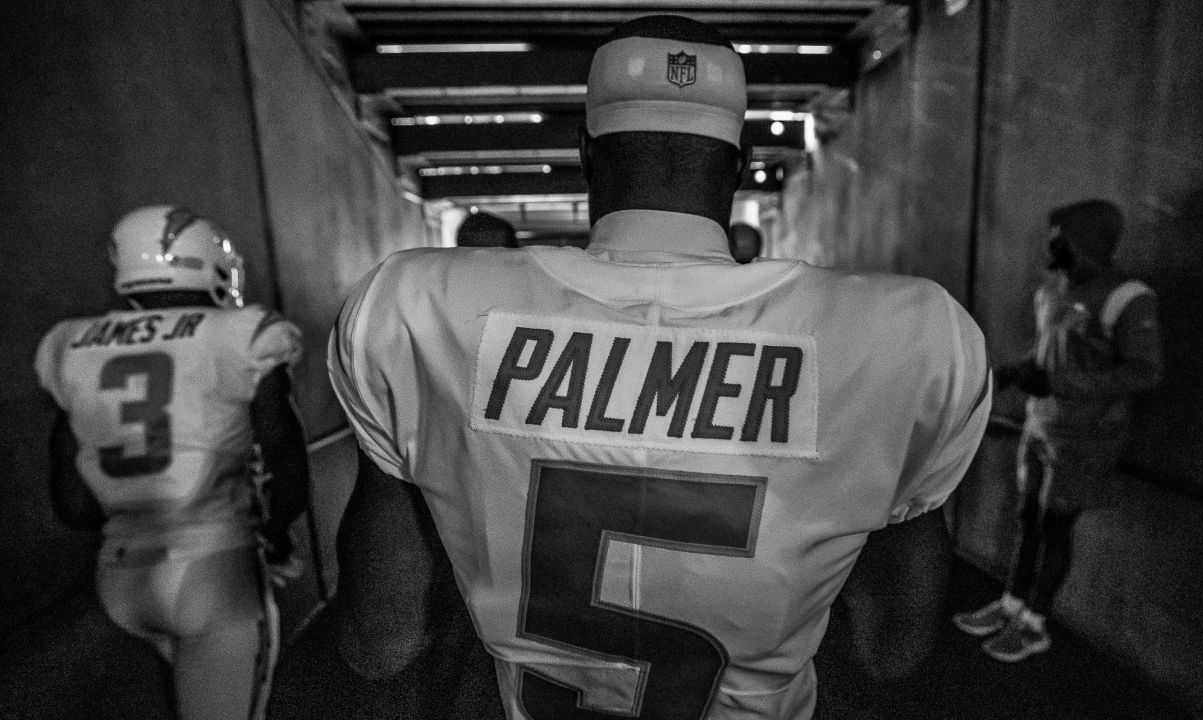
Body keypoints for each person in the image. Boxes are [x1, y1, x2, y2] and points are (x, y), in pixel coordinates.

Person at [327, 15, 991, 720]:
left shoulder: (415, 310)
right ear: (735, 165)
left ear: (586, 151)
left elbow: (382, 639)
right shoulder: (904, 337)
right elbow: (894, 646)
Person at [33, 205, 311, 720]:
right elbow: (284, 460)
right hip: (214, 567)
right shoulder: (240, 335)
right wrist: (273, 533)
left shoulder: (71, 346)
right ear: (209, 263)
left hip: (116, 579)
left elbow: (72, 504)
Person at [952, 199, 1163, 663]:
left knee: (1055, 527)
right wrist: (1014, 373)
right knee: (1027, 517)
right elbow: (1048, 359)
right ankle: (1010, 603)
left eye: (1057, 236)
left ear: (1083, 242)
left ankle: (1034, 624)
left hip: (1087, 437)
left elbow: (1146, 371)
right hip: (1040, 423)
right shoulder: (1052, 291)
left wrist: (1067, 382)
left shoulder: (1128, 297)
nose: (1048, 244)